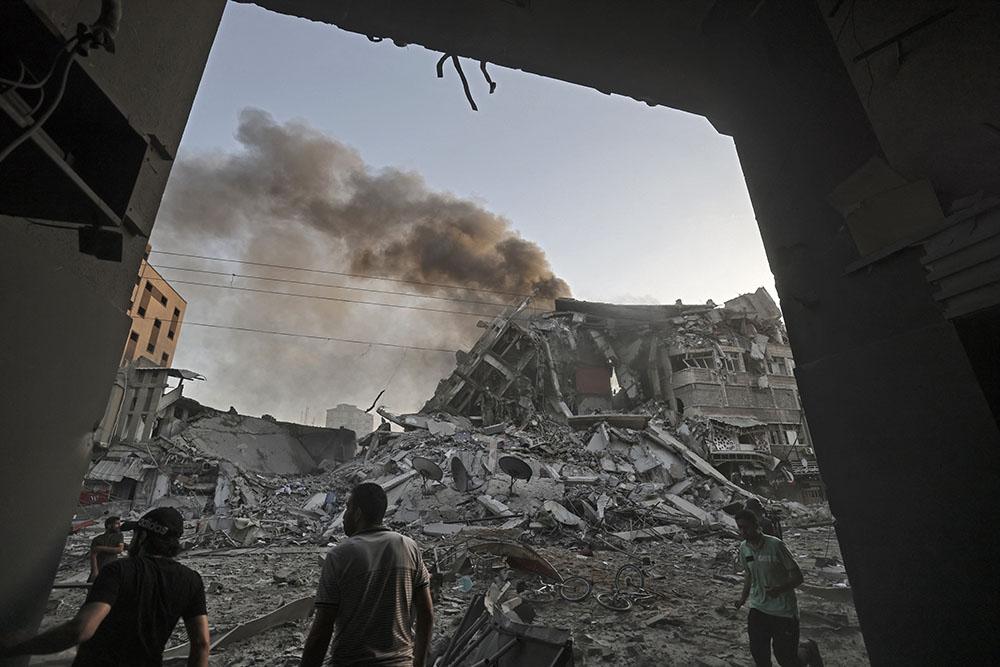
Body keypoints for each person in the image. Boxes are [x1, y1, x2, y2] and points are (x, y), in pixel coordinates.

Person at [0, 507, 210, 666]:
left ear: (142, 537)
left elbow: (81, 629)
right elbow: (201, 644)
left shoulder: (119, 571)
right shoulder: (192, 580)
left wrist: (18, 647)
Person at [301, 482, 434, 667]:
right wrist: (419, 663)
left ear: (357, 513)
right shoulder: (408, 547)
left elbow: (322, 629)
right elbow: (426, 613)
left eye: (347, 509)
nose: (344, 516)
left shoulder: (339, 556)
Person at [735, 508, 803, 667]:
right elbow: (749, 575)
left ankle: (807, 653)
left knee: (786, 658)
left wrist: (779, 589)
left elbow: (798, 577)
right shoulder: (744, 548)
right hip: (758, 607)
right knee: (759, 654)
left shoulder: (776, 545)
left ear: (756, 525)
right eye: (740, 527)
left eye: (746, 527)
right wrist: (742, 599)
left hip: (783, 611)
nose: (743, 531)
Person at [88, 515, 124, 582]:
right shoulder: (97, 539)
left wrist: (101, 548)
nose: (119, 526)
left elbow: (120, 549)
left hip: (111, 570)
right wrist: (95, 571)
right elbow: (93, 555)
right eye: (117, 524)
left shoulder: (119, 536)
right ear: (109, 526)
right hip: (99, 568)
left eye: (119, 523)